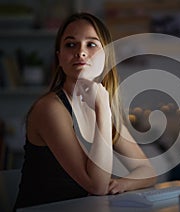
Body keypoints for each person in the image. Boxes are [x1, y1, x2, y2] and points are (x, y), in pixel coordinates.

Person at [14, 12, 157, 209]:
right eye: (70, 44)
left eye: (91, 44)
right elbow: (96, 186)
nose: (81, 52)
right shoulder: (50, 109)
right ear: (59, 57)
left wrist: (122, 184)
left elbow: (147, 170)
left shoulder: (103, 106)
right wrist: (103, 111)